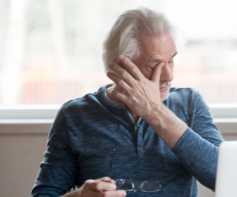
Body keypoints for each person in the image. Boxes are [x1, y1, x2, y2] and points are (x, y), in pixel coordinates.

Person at [31, 7, 223, 197]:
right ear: (120, 68)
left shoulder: (190, 103)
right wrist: (80, 196)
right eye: (154, 65)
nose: (168, 75)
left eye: (171, 61)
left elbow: (223, 176)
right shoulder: (75, 115)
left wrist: (155, 112)